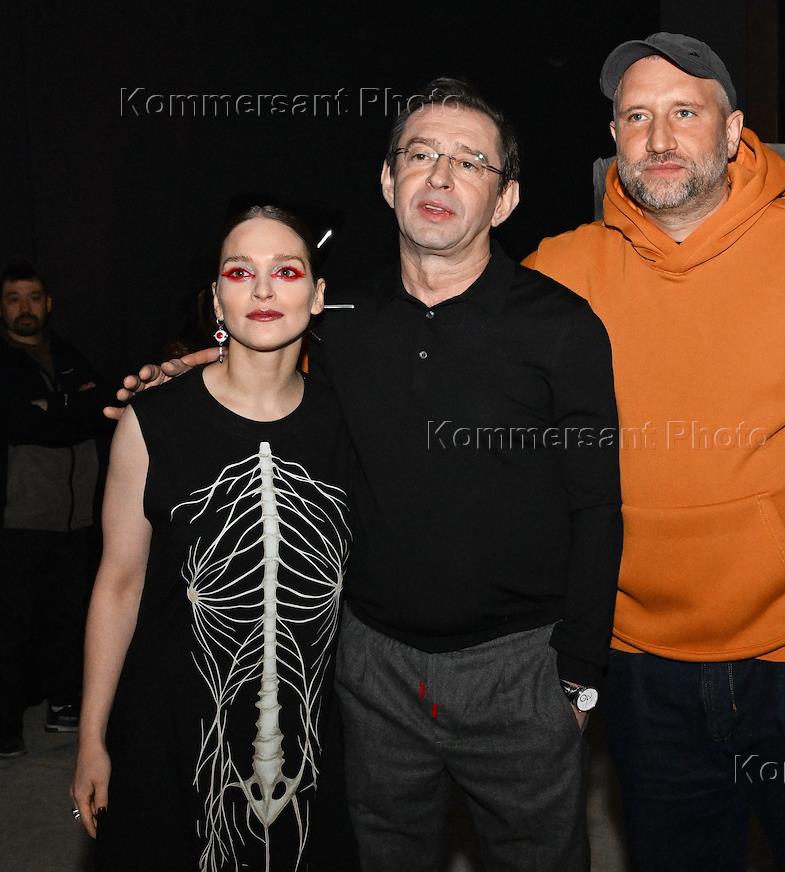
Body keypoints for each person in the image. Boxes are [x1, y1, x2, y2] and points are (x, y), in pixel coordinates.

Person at [108, 79, 622, 871]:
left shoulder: (562, 327)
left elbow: (599, 508)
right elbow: (263, 349)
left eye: (470, 161)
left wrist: (578, 679)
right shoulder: (343, 321)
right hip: (372, 672)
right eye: (421, 155)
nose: (441, 176)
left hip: (519, 670)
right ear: (388, 180)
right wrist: (183, 372)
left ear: (506, 198)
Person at [525, 33, 785, 872]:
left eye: (684, 112)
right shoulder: (558, 275)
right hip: (637, 661)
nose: (659, 138)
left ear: (733, 131)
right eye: (637, 117)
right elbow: (454, 373)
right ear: (614, 138)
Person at [72, 206, 354, 871]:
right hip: (167, 726)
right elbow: (119, 584)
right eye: (240, 272)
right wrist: (90, 736)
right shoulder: (152, 422)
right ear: (217, 300)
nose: (263, 289)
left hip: (315, 734)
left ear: (317, 297)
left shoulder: (350, 421)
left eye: (287, 271)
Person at [0, 261, 109, 757]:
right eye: (14, 298)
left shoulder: (66, 352)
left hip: (75, 517)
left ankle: (64, 704)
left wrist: (55, 408)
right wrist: (69, 408)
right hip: (18, 516)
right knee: (13, 623)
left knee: (69, 616)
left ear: (48, 304)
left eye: (33, 297)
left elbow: (104, 407)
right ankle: (6, 726)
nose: (25, 307)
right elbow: (20, 424)